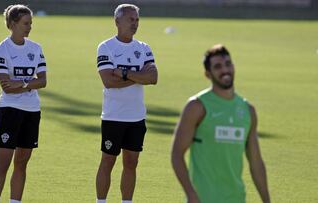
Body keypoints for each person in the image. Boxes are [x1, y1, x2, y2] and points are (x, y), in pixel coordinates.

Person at [171, 44, 270, 203]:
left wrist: (267, 200)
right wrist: (191, 194)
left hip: (237, 199)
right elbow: (176, 154)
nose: (225, 70)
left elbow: (256, 162)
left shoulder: (247, 110)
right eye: (218, 66)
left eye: (228, 64)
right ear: (207, 74)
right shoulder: (197, 107)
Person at [95, 4, 158, 203]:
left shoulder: (143, 47)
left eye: (137, 20)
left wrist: (123, 72)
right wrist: (140, 76)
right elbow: (108, 81)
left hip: (136, 117)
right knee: (108, 160)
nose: (135, 24)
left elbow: (153, 78)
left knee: (132, 162)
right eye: (131, 19)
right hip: (113, 116)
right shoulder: (106, 47)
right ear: (117, 21)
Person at [0, 4, 47, 203]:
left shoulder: (36, 48)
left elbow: (43, 81)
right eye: (25, 23)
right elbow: (6, 86)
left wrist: (20, 84)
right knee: (2, 164)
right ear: (12, 24)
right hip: (9, 111)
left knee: (21, 163)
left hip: (32, 111)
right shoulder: (1, 50)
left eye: (30, 23)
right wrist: (30, 84)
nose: (29, 27)